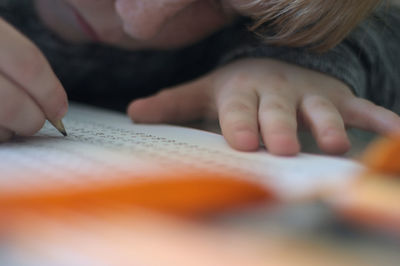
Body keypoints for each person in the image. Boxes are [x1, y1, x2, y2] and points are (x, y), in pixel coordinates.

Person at [0, 0, 399, 156]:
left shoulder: (253, 32)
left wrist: (292, 58)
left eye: (213, 3)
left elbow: (382, 18)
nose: (137, 21)